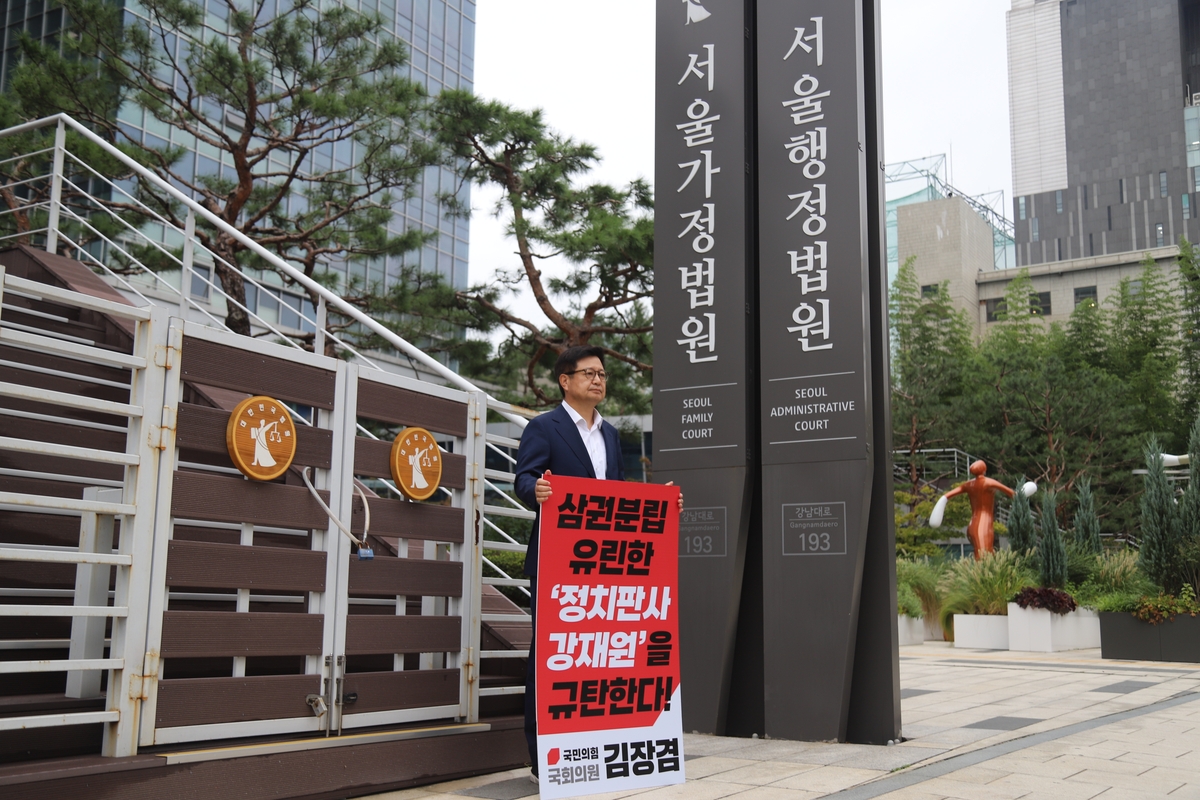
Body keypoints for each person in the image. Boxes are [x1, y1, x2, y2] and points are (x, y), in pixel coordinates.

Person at [513, 345, 681, 782]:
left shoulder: (609, 434)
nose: (598, 380)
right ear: (565, 381)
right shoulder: (543, 427)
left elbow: (617, 495)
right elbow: (524, 478)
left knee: (602, 658)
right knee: (551, 656)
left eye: (602, 373)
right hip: (558, 565)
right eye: (588, 373)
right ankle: (542, 757)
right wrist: (538, 491)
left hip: (604, 567)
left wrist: (660, 503)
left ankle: (596, 748)